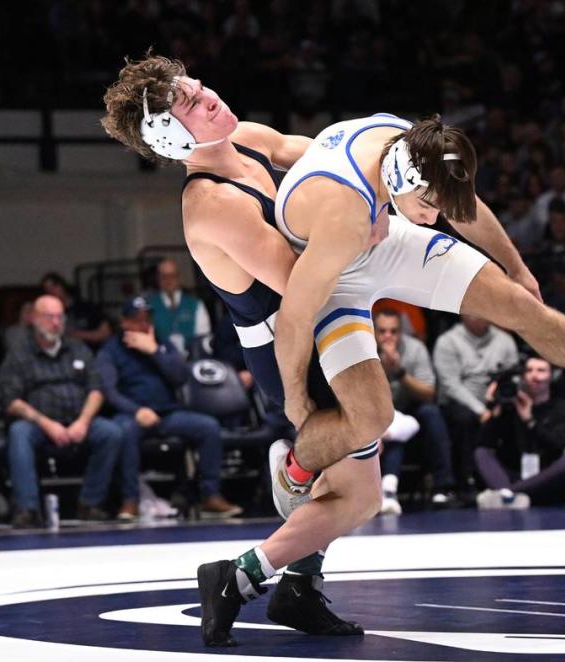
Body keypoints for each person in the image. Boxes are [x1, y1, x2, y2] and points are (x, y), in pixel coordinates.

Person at [270, 112, 565, 516]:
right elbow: (294, 316)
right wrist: (295, 398)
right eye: (431, 205)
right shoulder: (342, 211)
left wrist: (516, 267)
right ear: (400, 180)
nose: (435, 217)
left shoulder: (409, 144)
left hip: (378, 234)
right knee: (372, 417)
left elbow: (465, 208)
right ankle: (295, 469)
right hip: (335, 274)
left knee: (519, 304)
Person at [101, 55, 364, 644]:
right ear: (171, 136)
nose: (209, 96)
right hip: (288, 347)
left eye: (198, 86)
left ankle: (298, 584)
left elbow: (325, 155)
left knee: (345, 479)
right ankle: (239, 573)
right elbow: (299, 280)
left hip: (319, 322)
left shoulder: (244, 138)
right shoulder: (211, 205)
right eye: (190, 103)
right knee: (359, 491)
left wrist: (387, 158)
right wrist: (369, 225)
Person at [96, 296, 242, 520]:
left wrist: (155, 350)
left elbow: (181, 377)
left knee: (209, 427)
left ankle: (209, 496)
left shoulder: (161, 343)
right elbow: (108, 391)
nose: (144, 324)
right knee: (122, 432)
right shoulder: (110, 351)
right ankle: (130, 500)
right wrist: (137, 411)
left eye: (147, 318)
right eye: (137, 319)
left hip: (168, 413)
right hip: (131, 415)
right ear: (124, 322)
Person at [0, 295, 124, 527]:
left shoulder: (78, 348)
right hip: (40, 424)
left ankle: (90, 503)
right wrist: (47, 424)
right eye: (49, 317)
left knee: (111, 432)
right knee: (18, 433)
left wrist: (83, 422)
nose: (55, 322)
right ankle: (27, 508)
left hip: (78, 421)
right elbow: (10, 400)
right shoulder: (19, 354)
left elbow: (96, 390)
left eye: (59, 317)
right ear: (34, 318)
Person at [373, 308, 455, 513]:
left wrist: (400, 372)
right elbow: (354, 395)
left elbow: (429, 392)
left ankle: (443, 487)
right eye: (382, 331)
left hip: (407, 411)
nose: (388, 336)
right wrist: (382, 368)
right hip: (372, 414)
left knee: (431, 413)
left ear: (401, 332)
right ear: (373, 331)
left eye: (393, 331)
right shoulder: (363, 351)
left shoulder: (415, 349)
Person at [475, 355, 565, 508]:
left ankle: (507, 495)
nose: (534, 375)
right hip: (516, 474)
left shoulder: (563, 410)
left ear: (552, 376)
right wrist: (494, 409)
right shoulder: (509, 406)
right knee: (481, 453)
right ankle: (511, 496)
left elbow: (559, 445)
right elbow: (484, 442)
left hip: (546, 478)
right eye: (529, 370)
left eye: (541, 370)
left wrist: (530, 421)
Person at [433, 314, 518, 497]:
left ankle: (511, 479)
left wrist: (497, 399)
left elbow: (512, 376)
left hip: (494, 400)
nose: (480, 312)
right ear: (462, 312)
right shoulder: (447, 341)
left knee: (518, 414)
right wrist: (481, 411)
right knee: (465, 419)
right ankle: (467, 480)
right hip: (458, 402)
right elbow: (450, 385)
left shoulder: (505, 340)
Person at [147, 258, 212, 356]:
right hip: (160, 360)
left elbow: (203, 336)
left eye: (172, 276)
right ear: (158, 278)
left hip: (192, 358)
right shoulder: (149, 305)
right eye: (164, 276)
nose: (168, 280)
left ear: (178, 277)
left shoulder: (195, 304)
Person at [40, 272, 112, 350]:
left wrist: (73, 334)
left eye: (54, 286)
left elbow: (105, 334)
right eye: (47, 290)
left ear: (62, 286)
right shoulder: (46, 314)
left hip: (90, 353)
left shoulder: (86, 307)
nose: (52, 292)